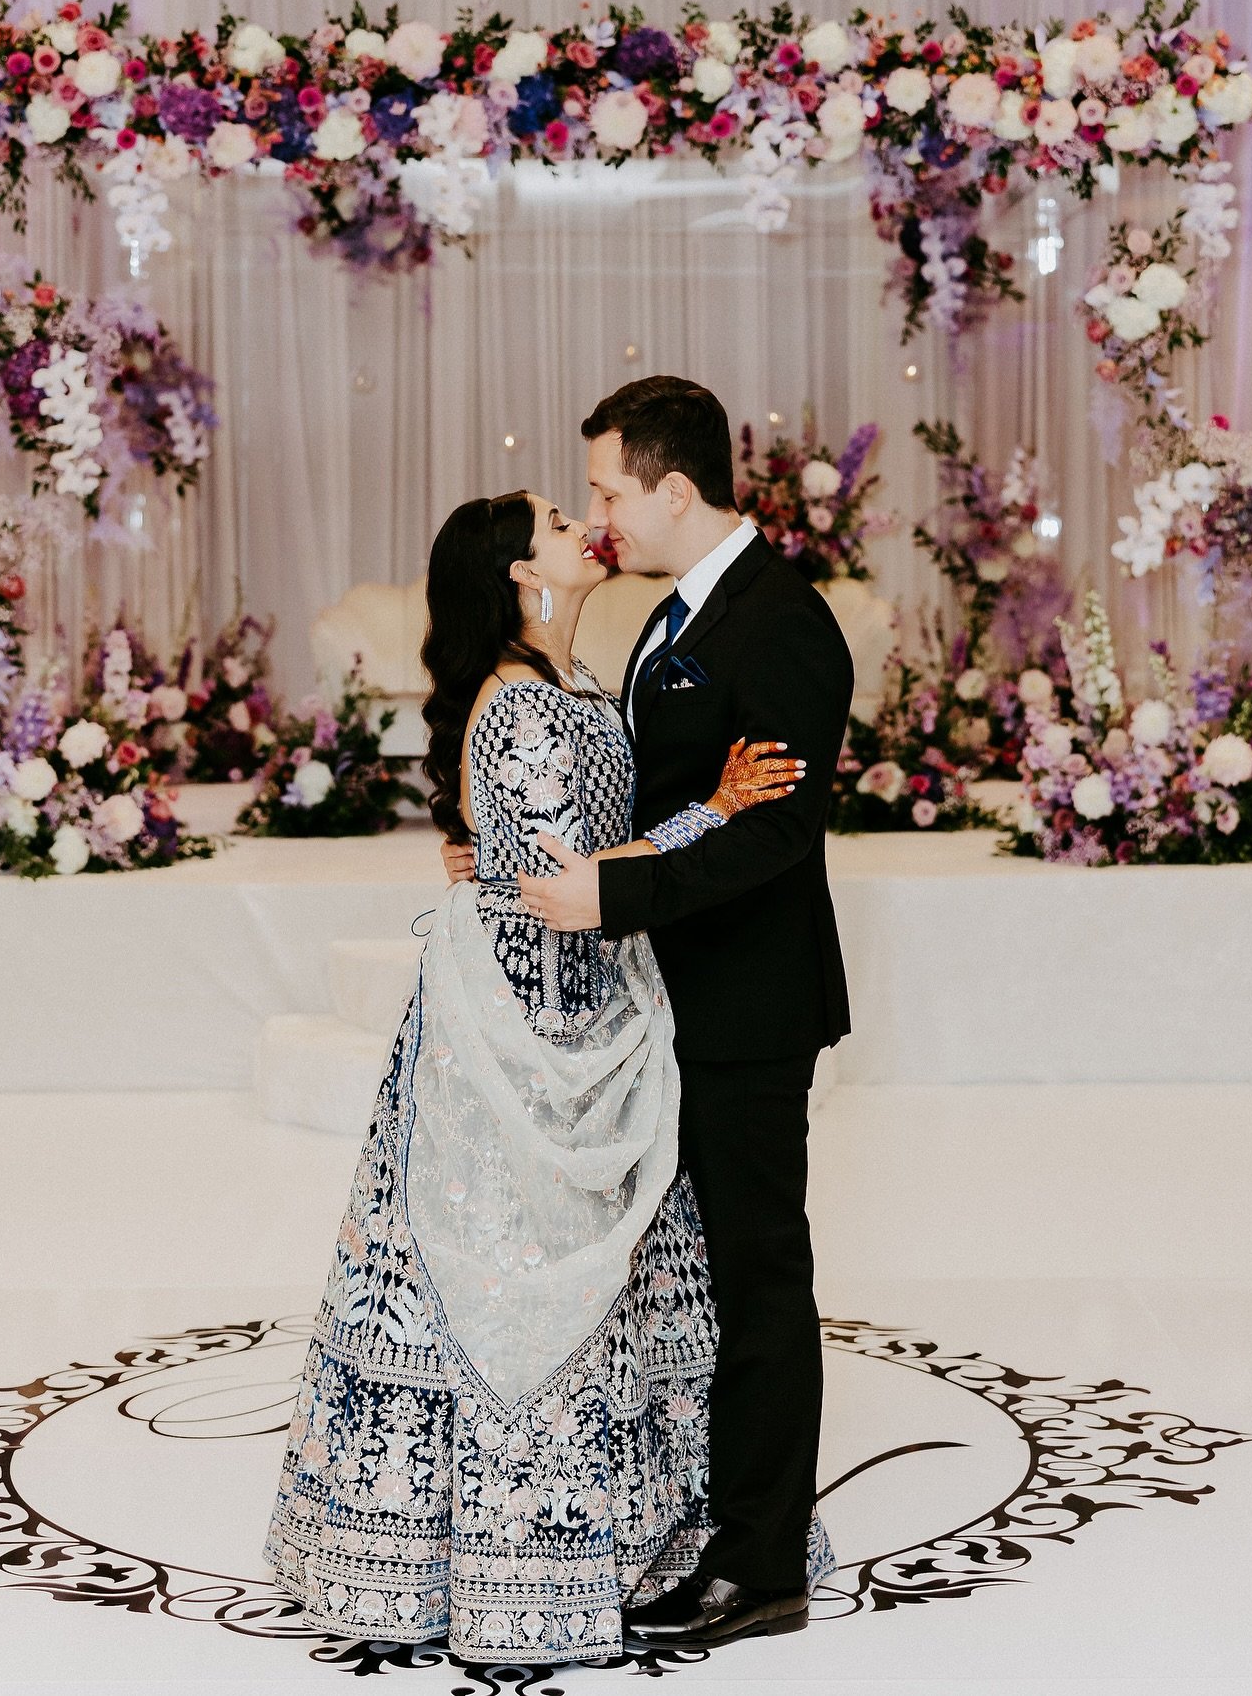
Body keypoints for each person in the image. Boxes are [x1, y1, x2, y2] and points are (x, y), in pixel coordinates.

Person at [265, 486, 813, 1665]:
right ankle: (513, 1561)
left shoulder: (575, 680)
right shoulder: (516, 703)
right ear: (521, 573)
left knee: (612, 1270)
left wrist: (684, 821)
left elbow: (576, 864)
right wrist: (714, 812)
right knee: (515, 1270)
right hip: (523, 1022)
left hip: (595, 997)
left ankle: (633, 1534)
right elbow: (562, 885)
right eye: (560, 521)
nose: (582, 526)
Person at [495, 376, 854, 1649]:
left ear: (675, 488)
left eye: (608, 489)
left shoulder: (784, 622)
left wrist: (615, 892)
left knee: (760, 1275)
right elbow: (692, 798)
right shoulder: (672, 613)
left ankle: (761, 1566)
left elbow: (779, 835)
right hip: (675, 995)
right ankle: (697, 1516)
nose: (598, 513)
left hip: (749, 1006)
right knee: (696, 1276)